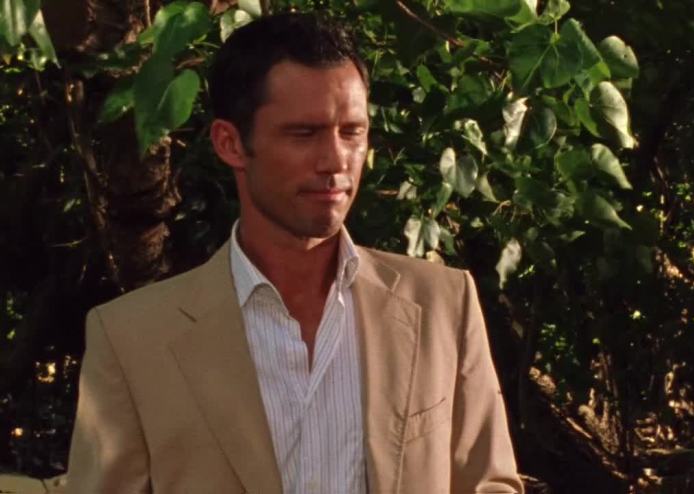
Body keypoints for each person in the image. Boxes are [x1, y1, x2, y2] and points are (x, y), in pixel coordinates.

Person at [66, 12, 523, 494]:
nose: (336, 161)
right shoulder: (133, 340)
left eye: (352, 132)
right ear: (230, 143)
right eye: (303, 134)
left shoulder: (441, 304)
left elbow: (488, 483)